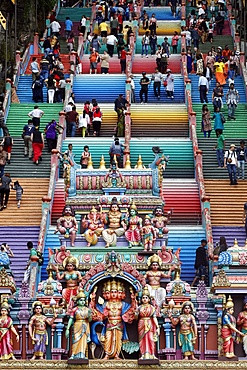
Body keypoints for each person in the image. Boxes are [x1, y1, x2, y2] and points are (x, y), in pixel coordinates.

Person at [90, 279, 137, 360]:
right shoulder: (105, 304)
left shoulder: (123, 304)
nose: (114, 294)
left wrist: (133, 299)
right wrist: (93, 299)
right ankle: (107, 354)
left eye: (115, 292)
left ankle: (116, 355)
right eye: (111, 292)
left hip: (119, 324)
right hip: (109, 323)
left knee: (117, 339)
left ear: (120, 293)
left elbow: (132, 310)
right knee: (108, 339)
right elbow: (95, 311)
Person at [65, 290, 92, 360]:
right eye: (81, 300)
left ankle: (82, 355)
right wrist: (67, 328)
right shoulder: (74, 309)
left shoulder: (87, 309)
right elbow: (71, 319)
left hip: (85, 325)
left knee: (84, 340)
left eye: (84, 300)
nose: (82, 302)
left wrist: (89, 315)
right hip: (77, 325)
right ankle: (73, 354)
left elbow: (90, 320)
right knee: (76, 340)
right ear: (77, 301)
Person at [137, 286, 159, 360]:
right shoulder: (139, 307)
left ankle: (152, 354)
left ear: (149, 299)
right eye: (143, 298)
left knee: (150, 338)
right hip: (141, 323)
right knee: (142, 339)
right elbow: (136, 318)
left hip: (149, 323)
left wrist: (157, 326)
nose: (144, 299)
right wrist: (135, 314)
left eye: (146, 298)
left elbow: (154, 317)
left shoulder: (152, 308)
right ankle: (143, 354)